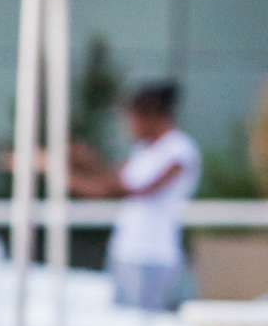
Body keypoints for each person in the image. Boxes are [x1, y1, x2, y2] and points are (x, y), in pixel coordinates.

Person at [71, 79, 202, 311]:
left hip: (154, 255)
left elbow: (138, 191)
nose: (128, 126)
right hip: (125, 250)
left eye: (130, 118)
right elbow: (110, 183)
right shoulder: (143, 151)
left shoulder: (180, 150)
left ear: (151, 116)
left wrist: (91, 163)